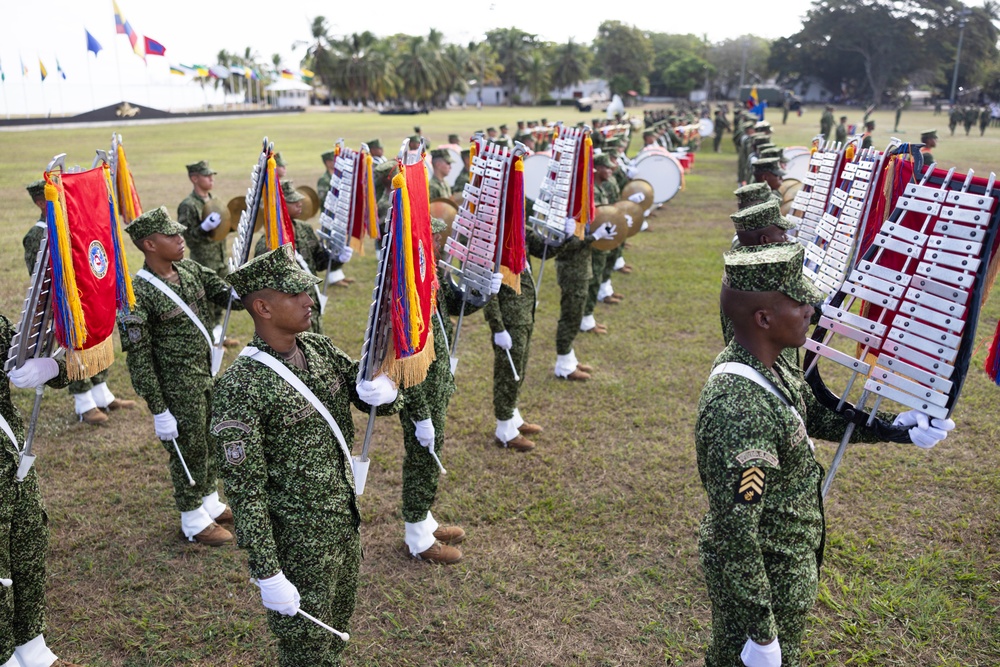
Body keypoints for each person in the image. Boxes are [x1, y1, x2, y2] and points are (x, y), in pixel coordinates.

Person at [696, 243, 955, 667]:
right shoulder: (738, 408)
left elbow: (808, 414)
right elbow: (735, 533)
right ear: (763, 318)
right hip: (766, 577)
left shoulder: (770, 363)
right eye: (798, 303)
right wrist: (761, 635)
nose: (810, 311)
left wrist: (895, 428)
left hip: (783, 567)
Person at [211, 244, 400, 667]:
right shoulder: (241, 388)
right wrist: (268, 572)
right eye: (295, 295)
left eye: (307, 292)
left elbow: (368, 394)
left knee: (333, 632)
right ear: (262, 306)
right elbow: (246, 492)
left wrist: (383, 390)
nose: (309, 300)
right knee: (307, 651)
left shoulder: (316, 348)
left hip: (343, 524)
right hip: (297, 544)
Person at [118, 206, 243, 546]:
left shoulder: (188, 269)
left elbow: (224, 292)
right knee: (187, 448)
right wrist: (158, 409)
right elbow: (140, 358)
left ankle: (209, 501)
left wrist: (242, 288)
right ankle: (191, 519)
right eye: (171, 235)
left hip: (205, 373)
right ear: (149, 245)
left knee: (208, 440)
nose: (180, 239)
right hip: (175, 385)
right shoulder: (137, 293)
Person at [396, 219, 502, 563]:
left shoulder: (430, 274)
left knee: (431, 454)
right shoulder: (402, 284)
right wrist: (419, 414)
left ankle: (424, 517)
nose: (439, 244)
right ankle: (416, 537)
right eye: (433, 238)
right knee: (422, 458)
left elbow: (453, 307)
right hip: (420, 390)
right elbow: (404, 356)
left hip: (438, 381)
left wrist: (481, 292)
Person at [1, 317, 82, 667]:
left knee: (28, 546)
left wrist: (50, 367)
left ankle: (32, 647)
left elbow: (58, 357)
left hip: (11, 461)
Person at [22, 180, 136, 426]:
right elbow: (41, 278)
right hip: (63, 304)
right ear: (42, 202)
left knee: (95, 341)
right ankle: (84, 404)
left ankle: (102, 394)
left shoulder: (70, 222)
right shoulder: (37, 234)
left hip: (85, 296)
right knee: (75, 351)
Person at [254, 181, 353, 334]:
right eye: (293, 201)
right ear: (279, 206)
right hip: (289, 312)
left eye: (299, 200)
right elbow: (264, 286)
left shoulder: (304, 228)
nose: (300, 204)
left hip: (311, 302)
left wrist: (337, 257)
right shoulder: (269, 242)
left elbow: (320, 262)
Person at [177, 160, 237, 346]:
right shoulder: (188, 205)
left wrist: (233, 224)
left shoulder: (213, 200)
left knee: (222, 298)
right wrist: (203, 228)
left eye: (212, 175)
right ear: (194, 178)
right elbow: (189, 238)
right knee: (207, 300)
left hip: (219, 258)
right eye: (206, 175)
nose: (211, 178)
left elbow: (220, 231)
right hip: (204, 261)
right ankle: (209, 341)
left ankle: (218, 334)